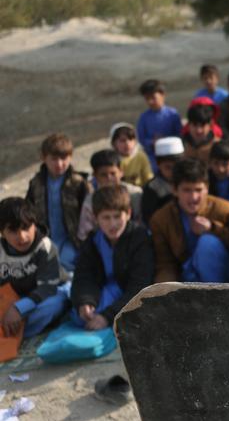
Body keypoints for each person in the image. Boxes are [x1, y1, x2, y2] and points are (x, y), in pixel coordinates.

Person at [70, 185, 154, 334]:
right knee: (80, 317)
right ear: (96, 218)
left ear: (128, 213)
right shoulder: (93, 240)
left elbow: (140, 286)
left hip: (128, 293)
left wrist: (107, 317)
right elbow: (83, 276)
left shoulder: (140, 239)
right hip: (104, 290)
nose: (112, 224)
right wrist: (85, 301)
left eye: (117, 216)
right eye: (106, 218)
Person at [149, 157, 229, 283]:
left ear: (207, 188)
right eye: (187, 190)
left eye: (198, 190)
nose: (194, 197)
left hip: (224, 281)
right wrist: (165, 293)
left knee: (207, 243)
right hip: (186, 280)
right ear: (174, 190)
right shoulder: (161, 219)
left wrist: (213, 229)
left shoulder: (225, 209)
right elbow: (165, 264)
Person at [0, 198, 68, 341]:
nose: (22, 237)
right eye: (13, 230)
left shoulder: (45, 247)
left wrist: (19, 309)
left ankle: (15, 331)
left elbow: (47, 288)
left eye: (26, 227)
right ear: (2, 232)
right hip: (16, 299)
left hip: (47, 294)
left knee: (54, 305)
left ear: (34, 224)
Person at [25, 133, 90, 272]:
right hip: (45, 238)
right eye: (54, 159)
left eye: (64, 158)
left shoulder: (78, 183)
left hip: (72, 240)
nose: (59, 164)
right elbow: (28, 211)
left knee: (68, 265)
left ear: (71, 157)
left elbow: (89, 214)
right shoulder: (36, 183)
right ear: (43, 158)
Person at [76, 149, 143, 242]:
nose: (109, 179)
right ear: (95, 175)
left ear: (121, 172)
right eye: (103, 175)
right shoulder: (90, 201)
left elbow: (142, 224)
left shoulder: (135, 194)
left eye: (113, 173)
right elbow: (85, 234)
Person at [136, 79, 182, 175]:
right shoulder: (144, 118)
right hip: (153, 156)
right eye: (147, 98)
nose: (150, 101)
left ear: (163, 95)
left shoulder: (172, 114)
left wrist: (164, 140)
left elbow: (179, 134)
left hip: (172, 153)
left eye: (153, 97)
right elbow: (141, 138)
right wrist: (152, 142)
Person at [141, 137, 185, 223]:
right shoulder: (152, 188)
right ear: (158, 165)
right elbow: (149, 218)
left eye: (176, 167)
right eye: (168, 167)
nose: (173, 172)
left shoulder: (191, 182)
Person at [110, 122, 153, 188]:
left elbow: (148, 178)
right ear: (113, 143)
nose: (127, 144)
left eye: (131, 139)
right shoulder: (111, 159)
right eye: (122, 140)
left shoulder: (141, 157)